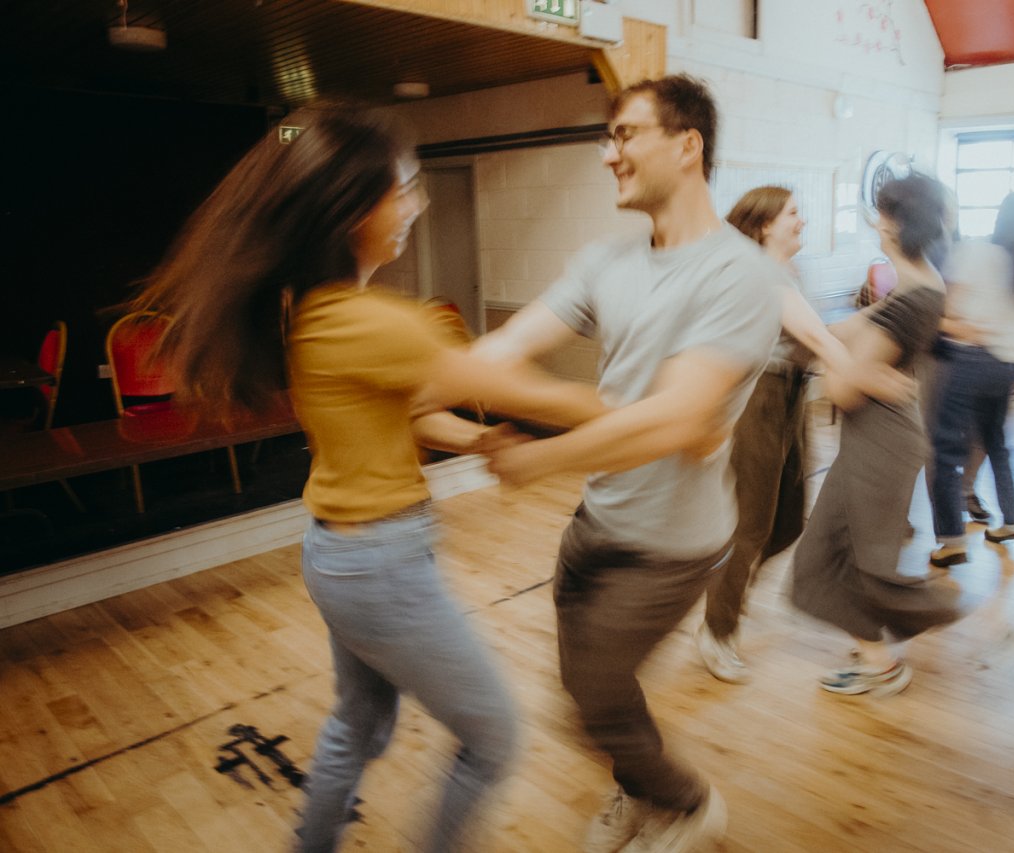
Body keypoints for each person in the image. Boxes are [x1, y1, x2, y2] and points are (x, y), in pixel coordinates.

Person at [135, 105, 609, 852]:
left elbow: (413, 416)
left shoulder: (317, 315)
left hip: (339, 555)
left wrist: (480, 438)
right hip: (381, 566)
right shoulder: (374, 323)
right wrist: (652, 410)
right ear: (355, 208)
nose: (416, 204)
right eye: (407, 187)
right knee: (493, 736)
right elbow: (535, 395)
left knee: (360, 726)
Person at [471, 75, 781, 852]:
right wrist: (424, 372)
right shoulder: (604, 260)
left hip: (673, 542)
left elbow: (675, 420)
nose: (609, 153)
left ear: (687, 145)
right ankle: (639, 786)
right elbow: (503, 349)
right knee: (584, 694)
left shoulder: (740, 273)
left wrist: (538, 459)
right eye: (607, 138)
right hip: (597, 522)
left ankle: (686, 800)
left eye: (626, 134)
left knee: (596, 701)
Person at [696, 186, 911, 684]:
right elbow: (816, 338)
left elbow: (817, 331)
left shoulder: (793, 272)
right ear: (766, 224)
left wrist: (887, 316)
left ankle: (728, 595)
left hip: (790, 397)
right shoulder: (758, 272)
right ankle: (716, 627)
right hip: (757, 401)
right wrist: (869, 376)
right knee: (751, 524)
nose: (803, 221)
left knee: (788, 523)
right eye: (793, 213)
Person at [789, 172, 962, 698]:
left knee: (853, 564)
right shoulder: (918, 282)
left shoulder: (914, 297)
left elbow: (843, 393)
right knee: (834, 557)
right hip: (879, 441)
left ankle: (919, 643)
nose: (874, 222)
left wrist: (844, 369)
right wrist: (827, 341)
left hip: (881, 444)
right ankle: (875, 656)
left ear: (894, 224)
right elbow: (852, 333)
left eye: (882, 213)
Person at [929, 192, 1014, 566]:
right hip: (1007, 366)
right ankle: (1012, 521)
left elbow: (951, 308)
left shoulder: (976, 252)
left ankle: (952, 541)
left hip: (969, 358)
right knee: (998, 446)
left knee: (947, 452)